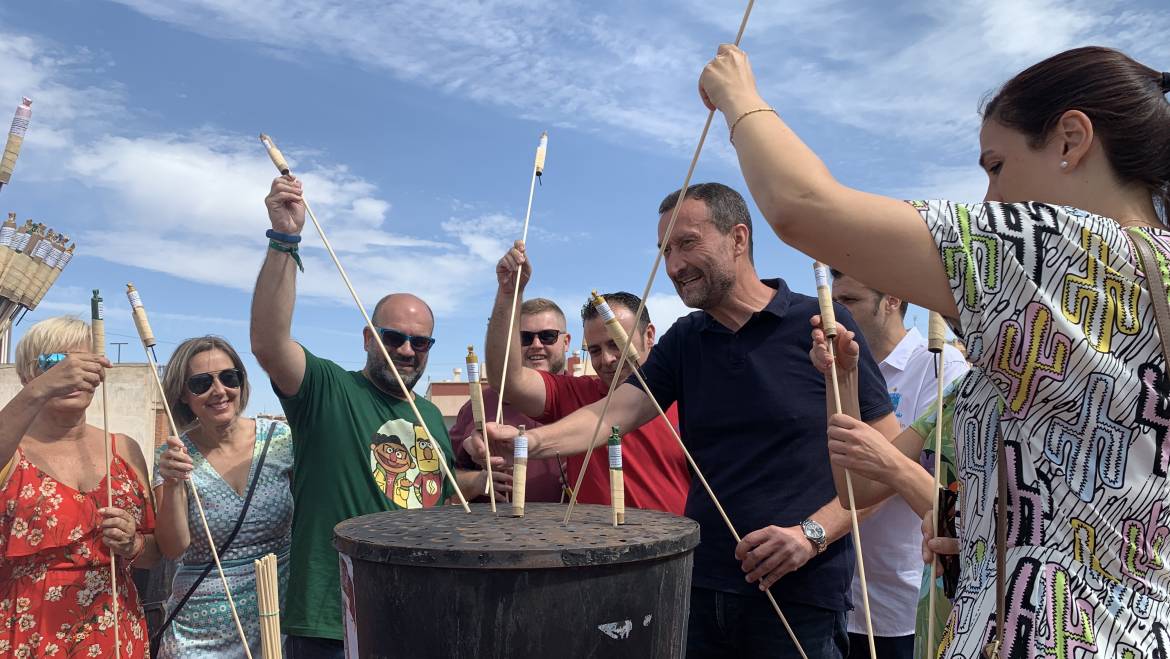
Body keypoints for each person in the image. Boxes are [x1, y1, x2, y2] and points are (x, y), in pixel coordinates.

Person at [698, 43, 1170, 656]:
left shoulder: (1056, 244)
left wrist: (738, 95)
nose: (992, 201)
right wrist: (972, 527)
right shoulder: (1063, 326)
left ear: (1071, 140)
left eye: (996, 166)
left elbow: (802, 206)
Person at [469, 183, 900, 657]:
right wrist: (532, 443)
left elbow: (887, 456)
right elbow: (617, 410)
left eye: (687, 243)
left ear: (738, 238)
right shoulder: (687, 338)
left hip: (801, 598)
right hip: (698, 586)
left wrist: (811, 535)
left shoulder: (817, 322)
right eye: (664, 250)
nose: (673, 266)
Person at [251, 175, 457, 658]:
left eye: (419, 341)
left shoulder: (429, 415)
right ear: (368, 338)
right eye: (393, 336)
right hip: (332, 618)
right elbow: (268, 342)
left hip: (415, 612)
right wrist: (285, 239)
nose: (406, 349)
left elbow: (433, 499)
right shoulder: (328, 390)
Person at [485, 240, 690, 514]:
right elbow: (507, 381)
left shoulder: (689, 394)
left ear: (649, 335)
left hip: (676, 549)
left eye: (616, 343)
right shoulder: (577, 394)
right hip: (597, 550)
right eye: (594, 349)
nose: (606, 359)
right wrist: (509, 295)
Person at [0, 316, 158, 658]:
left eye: (85, 364)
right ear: (27, 375)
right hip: (27, 633)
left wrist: (133, 542)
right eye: (55, 363)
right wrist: (40, 390)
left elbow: (154, 553)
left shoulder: (124, 449)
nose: (73, 374)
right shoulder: (11, 448)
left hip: (115, 632)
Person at [828, 272, 967, 658]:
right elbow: (855, 487)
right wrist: (841, 376)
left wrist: (884, 458)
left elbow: (949, 505)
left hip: (910, 597)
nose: (836, 314)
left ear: (891, 300)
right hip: (843, 593)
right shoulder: (839, 367)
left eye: (849, 302)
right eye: (832, 301)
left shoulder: (943, 369)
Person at [152, 336, 294, 658]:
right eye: (201, 383)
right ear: (183, 395)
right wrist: (174, 483)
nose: (219, 391)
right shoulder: (173, 455)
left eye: (229, 378)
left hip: (275, 618)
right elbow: (173, 548)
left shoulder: (282, 441)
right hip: (199, 632)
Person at [451, 296, 572, 503]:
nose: (536, 345)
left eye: (547, 336)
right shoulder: (480, 404)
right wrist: (475, 481)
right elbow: (441, 481)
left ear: (566, 342)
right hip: (492, 533)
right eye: (524, 338)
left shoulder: (588, 401)